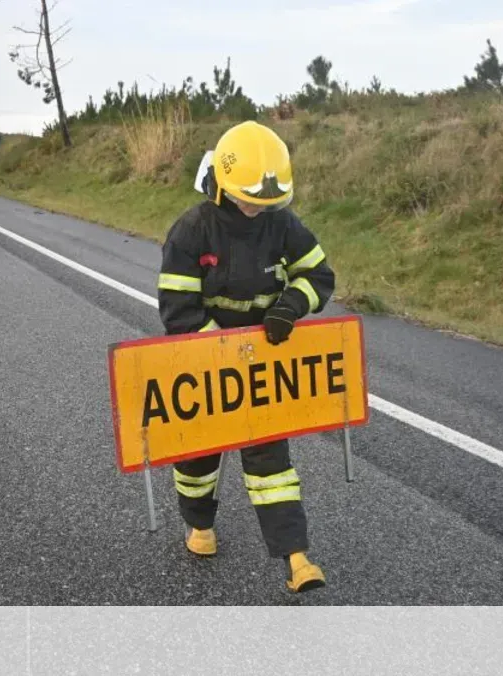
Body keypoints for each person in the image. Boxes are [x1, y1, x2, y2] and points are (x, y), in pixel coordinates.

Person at [155, 120, 335, 594]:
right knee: (196, 459)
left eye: (268, 202)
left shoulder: (282, 225)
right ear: (224, 186)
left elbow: (319, 276)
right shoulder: (191, 231)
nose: (259, 209)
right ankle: (199, 525)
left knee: (272, 464)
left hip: (260, 367)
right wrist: (221, 349)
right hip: (204, 363)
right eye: (251, 200)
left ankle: (297, 559)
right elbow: (177, 308)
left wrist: (289, 308)